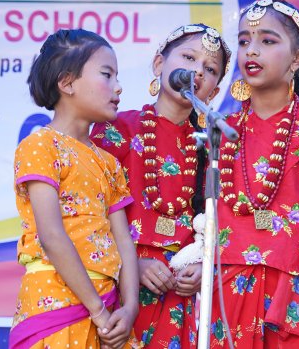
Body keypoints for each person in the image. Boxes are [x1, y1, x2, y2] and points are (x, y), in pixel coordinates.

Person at [90, 24, 231, 348]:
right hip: (118, 291)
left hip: (179, 299)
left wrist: (203, 267)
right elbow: (89, 216)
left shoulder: (212, 146)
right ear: (158, 64)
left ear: (213, 91)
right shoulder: (117, 129)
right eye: (188, 58)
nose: (198, 71)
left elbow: (223, 225)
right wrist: (131, 266)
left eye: (210, 69)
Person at [210, 0, 299, 348]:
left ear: (298, 58)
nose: (251, 51)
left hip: (294, 290)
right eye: (243, 41)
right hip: (228, 289)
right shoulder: (222, 128)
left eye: (267, 40)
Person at [10, 29, 139, 349]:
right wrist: (98, 311)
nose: (118, 87)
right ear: (67, 83)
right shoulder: (41, 145)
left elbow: (123, 241)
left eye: (117, 77)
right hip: (55, 301)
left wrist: (130, 309)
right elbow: (51, 236)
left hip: (108, 312)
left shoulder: (108, 162)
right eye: (107, 75)